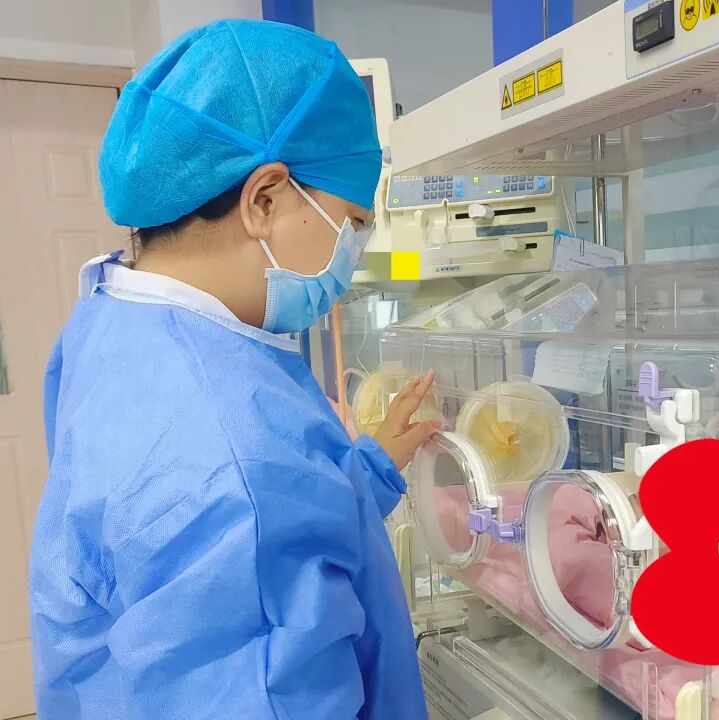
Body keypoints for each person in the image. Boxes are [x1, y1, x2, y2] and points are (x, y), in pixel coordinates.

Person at [28, 19, 438, 720]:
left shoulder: (113, 319)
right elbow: (248, 519)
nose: (354, 252)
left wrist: (368, 472)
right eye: (351, 222)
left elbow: (248, 537)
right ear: (265, 199)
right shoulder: (227, 459)